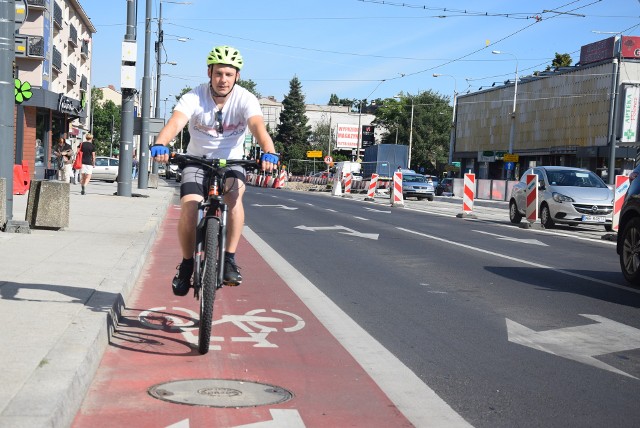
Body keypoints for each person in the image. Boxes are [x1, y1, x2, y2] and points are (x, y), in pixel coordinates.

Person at [151, 45, 278, 296]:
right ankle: (187, 264)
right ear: (209, 72)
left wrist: (269, 151)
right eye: (218, 73)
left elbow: (257, 126)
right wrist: (160, 143)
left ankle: (229, 258)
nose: (223, 79)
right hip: (197, 160)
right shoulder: (194, 97)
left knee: (234, 198)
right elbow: (176, 122)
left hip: (232, 161)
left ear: (237, 76)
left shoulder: (245, 99)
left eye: (229, 74)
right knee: (189, 204)